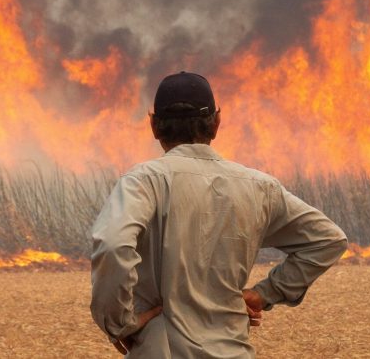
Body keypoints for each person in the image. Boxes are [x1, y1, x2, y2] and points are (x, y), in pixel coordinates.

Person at [90, 71, 348, 358]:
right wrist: (266, 293)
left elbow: (112, 245)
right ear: (216, 123)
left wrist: (119, 323)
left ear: (154, 125)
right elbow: (328, 240)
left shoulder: (144, 182)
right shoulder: (258, 187)